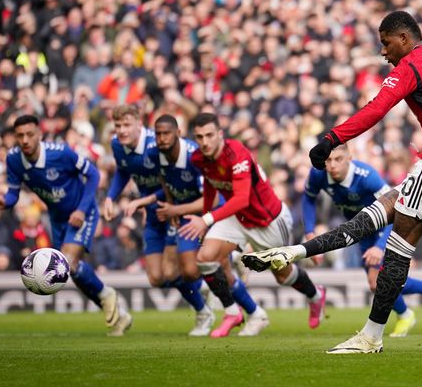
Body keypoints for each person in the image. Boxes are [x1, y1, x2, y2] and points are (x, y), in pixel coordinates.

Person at [243, 11, 422, 353]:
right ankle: (294, 252)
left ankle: (371, 336)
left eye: (386, 43)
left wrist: (331, 138)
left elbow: (376, 110)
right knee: (374, 216)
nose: (383, 52)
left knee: (393, 250)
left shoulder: (411, 67)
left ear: (403, 39)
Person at [178, 113, 327, 337]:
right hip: (237, 218)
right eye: (199, 137)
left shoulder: (236, 153)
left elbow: (241, 199)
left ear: (220, 134)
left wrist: (207, 220)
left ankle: (315, 295)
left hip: (268, 220)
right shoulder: (199, 158)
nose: (205, 141)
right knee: (205, 258)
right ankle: (232, 312)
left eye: (209, 135)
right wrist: (208, 217)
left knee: (282, 275)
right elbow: (210, 186)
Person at [0, 115, 132, 336]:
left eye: (30, 134)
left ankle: (107, 295)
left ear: (40, 135)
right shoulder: (14, 159)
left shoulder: (61, 153)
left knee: (69, 262)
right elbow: (13, 194)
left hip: (82, 211)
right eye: (20, 136)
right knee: (70, 271)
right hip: (57, 217)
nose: (25, 140)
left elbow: (93, 174)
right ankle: (118, 313)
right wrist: (4, 202)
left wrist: (82, 210)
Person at [127, 114, 264, 337]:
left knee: (212, 271)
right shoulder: (155, 154)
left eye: (166, 133)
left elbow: (212, 199)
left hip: (209, 215)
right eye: (158, 134)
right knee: (175, 273)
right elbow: (165, 180)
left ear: (179, 134)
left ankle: (253, 311)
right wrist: (168, 204)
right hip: (185, 216)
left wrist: (176, 210)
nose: (161, 138)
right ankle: (210, 304)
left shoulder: (194, 156)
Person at [302, 144, 422, 337]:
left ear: (349, 158)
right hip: (360, 229)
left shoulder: (367, 176)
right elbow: (308, 198)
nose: (332, 165)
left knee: (377, 279)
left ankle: (407, 314)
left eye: (338, 159)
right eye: (328, 160)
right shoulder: (318, 174)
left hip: (384, 226)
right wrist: (310, 231)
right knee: (376, 283)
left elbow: (397, 208)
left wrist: (380, 247)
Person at [103, 105, 212, 336]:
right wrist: (111, 197)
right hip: (152, 211)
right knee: (156, 277)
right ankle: (199, 286)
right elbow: (124, 171)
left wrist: (148, 202)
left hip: (170, 208)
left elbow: (172, 182)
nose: (121, 131)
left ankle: (203, 310)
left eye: (126, 125)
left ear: (139, 123)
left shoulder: (160, 143)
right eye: (118, 126)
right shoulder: (117, 145)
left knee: (174, 272)